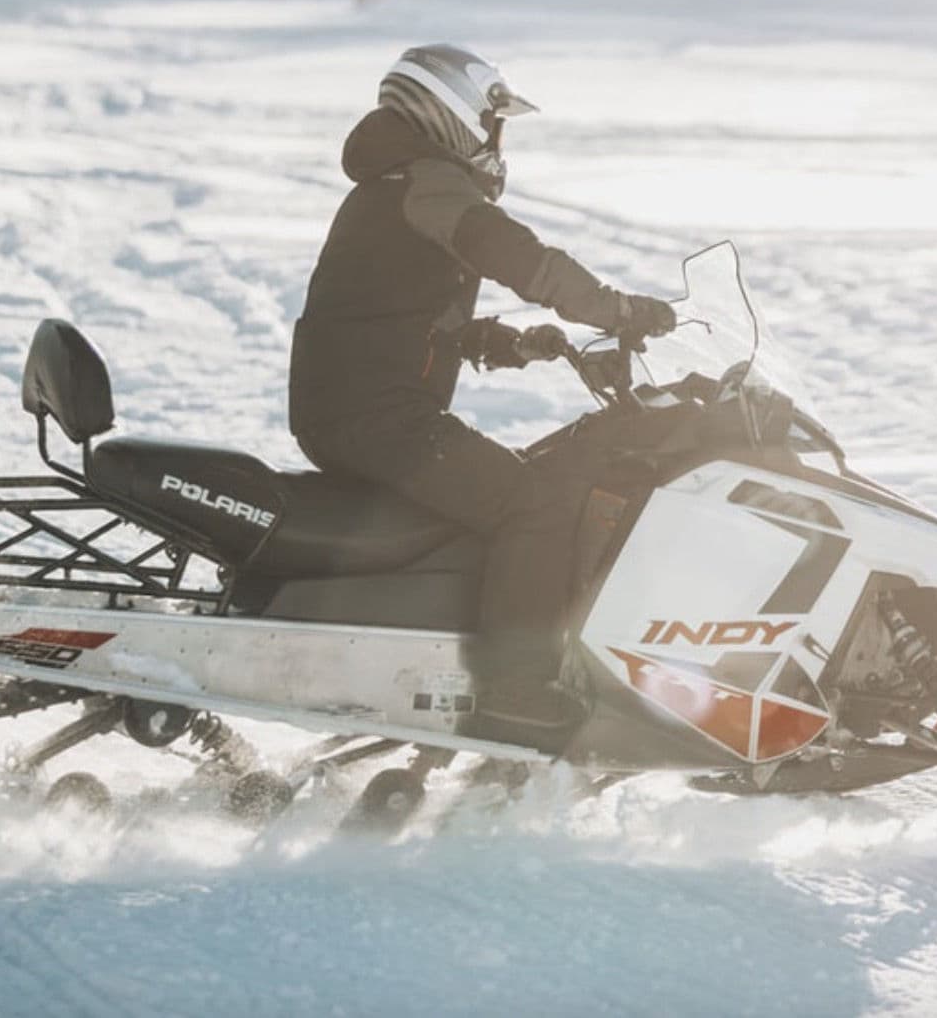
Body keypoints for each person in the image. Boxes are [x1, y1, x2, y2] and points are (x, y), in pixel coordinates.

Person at [288, 43, 677, 739]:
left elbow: (400, 312)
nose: (499, 144)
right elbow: (520, 258)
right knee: (533, 501)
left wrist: (513, 343)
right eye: (494, 125)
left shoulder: (397, 184)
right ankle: (516, 689)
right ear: (454, 115)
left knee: (514, 489)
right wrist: (614, 309)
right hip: (377, 417)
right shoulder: (427, 184)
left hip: (356, 407)